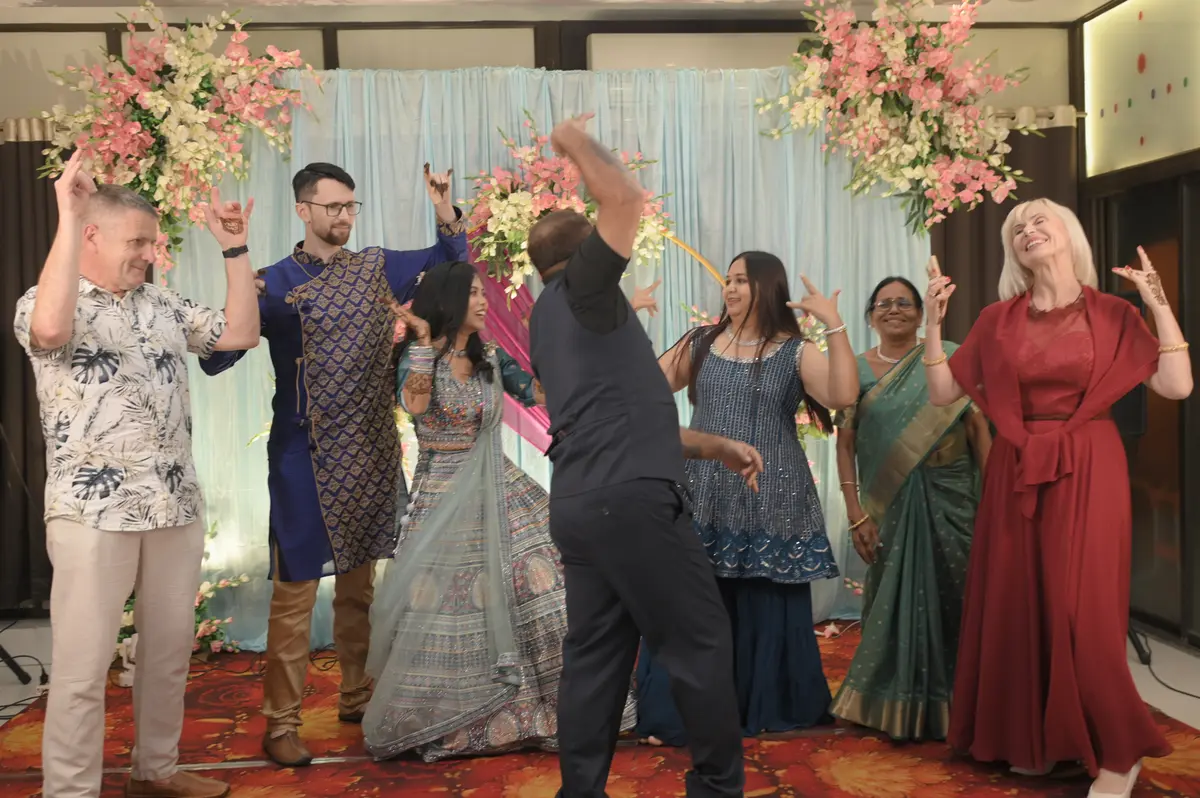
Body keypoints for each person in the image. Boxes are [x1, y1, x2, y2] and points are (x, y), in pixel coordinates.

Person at [198, 162, 468, 766]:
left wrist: (444, 209)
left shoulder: (376, 267)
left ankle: (356, 694)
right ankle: (281, 723)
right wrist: (243, 288)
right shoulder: (276, 283)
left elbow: (452, 263)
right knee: (294, 596)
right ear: (303, 211)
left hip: (371, 450)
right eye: (333, 207)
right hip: (304, 457)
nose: (344, 217)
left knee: (358, 588)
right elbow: (217, 359)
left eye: (351, 206)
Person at [527, 113, 764, 798]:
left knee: (596, 658)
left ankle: (580, 792)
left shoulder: (548, 320)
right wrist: (572, 140)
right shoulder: (586, 289)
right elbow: (625, 198)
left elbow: (614, 418)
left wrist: (714, 446)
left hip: (581, 503)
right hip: (629, 501)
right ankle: (717, 788)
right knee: (699, 641)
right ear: (587, 251)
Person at [13, 151, 259, 798]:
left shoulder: (162, 304)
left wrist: (235, 250)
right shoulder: (46, 298)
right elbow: (50, 330)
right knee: (81, 667)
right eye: (139, 243)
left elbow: (239, 334)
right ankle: (70, 792)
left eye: (152, 243)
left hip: (174, 504)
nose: (151, 254)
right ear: (92, 235)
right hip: (91, 513)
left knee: (168, 652)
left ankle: (156, 771)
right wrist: (68, 215)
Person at [925, 199, 1190, 798]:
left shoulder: (1114, 312)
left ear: (1069, 234)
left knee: (1082, 611)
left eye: (1039, 220)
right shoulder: (996, 319)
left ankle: (1119, 751)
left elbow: (1176, 385)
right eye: (1017, 228)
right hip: (1016, 466)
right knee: (1018, 601)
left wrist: (1158, 304)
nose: (1027, 230)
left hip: (1088, 464)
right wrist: (934, 324)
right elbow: (942, 391)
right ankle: (1036, 740)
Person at [361, 261, 636, 761]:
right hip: (442, 497)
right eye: (472, 293)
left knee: (546, 581)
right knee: (444, 607)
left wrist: (573, 350)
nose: (483, 301)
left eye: (482, 292)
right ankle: (456, 718)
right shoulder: (419, 358)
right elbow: (414, 407)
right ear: (447, 301)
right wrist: (420, 342)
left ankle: (553, 710)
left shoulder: (490, 356)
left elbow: (537, 393)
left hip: (500, 486)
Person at [636, 252, 858, 746]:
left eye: (742, 280)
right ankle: (684, 711)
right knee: (693, 601)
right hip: (704, 489)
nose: (731, 289)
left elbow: (843, 395)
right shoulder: (700, 343)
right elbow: (641, 387)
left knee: (766, 599)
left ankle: (768, 705)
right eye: (729, 280)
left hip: (772, 492)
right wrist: (625, 319)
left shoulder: (795, 351)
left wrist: (834, 324)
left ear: (767, 288)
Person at [830, 275, 990, 741]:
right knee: (893, 600)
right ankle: (890, 701)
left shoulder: (949, 356)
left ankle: (966, 701)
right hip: (890, 504)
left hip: (955, 493)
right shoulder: (856, 371)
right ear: (870, 316)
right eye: (883, 304)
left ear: (922, 314)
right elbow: (845, 445)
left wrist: (995, 495)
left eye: (904, 302)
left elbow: (979, 430)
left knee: (960, 589)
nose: (894, 310)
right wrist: (856, 512)